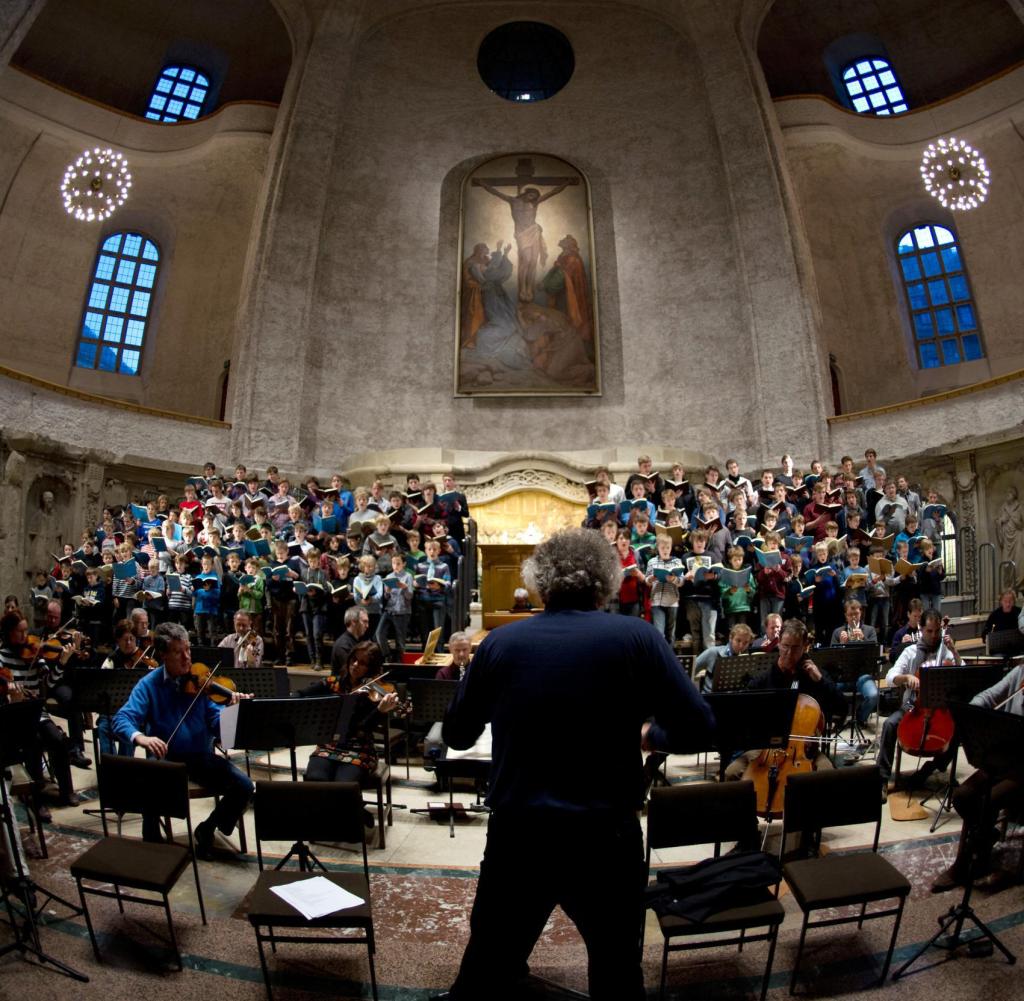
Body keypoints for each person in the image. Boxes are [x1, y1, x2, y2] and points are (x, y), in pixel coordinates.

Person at [434, 528, 714, 1001]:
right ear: (605, 582)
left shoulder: (500, 644)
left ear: (540, 583)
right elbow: (699, 727)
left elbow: (456, 735)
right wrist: (650, 734)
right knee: (617, 973)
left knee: (487, 968)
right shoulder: (638, 637)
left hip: (519, 837)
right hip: (607, 837)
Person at [112, 622, 252, 856]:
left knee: (245, 786)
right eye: (179, 652)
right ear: (163, 655)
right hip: (167, 761)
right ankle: (153, 846)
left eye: (188, 649)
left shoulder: (202, 684)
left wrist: (232, 712)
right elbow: (122, 719)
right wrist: (141, 738)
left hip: (201, 758)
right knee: (151, 786)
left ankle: (208, 828)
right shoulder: (150, 684)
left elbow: (217, 727)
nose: (187, 657)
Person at [930, 659, 1024, 892]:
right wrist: (973, 714)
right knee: (963, 796)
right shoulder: (1019, 672)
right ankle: (986, 837)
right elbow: (988, 696)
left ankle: (964, 866)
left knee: (989, 800)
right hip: (1004, 758)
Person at [723, 619, 846, 780]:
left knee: (826, 773)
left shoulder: (814, 675)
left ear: (805, 647)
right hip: (764, 749)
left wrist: (820, 680)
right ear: (779, 643)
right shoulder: (765, 677)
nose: (789, 653)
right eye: (785, 646)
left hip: (803, 752)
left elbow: (841, 706)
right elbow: (744, 711)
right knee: (731, 772)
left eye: (795, 648)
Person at [876, 610, 960, 797]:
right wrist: (906, 677)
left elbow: (961, 673)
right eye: (929, 631)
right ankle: (881, 778)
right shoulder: (910, 652)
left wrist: (954, 651)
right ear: (921, 629)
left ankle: (931, 768)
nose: (934, 636)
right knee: (890, 725)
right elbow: (890, 677)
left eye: (937, 631)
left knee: (959, 728)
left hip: (940, 707)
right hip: (913, 706)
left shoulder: (945, 651)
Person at [696, 622, 754, 693]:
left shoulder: (748, 658)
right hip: (711, 698)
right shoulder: (713, 652)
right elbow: (692, 669)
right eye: (738, 640)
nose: (741, 646)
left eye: (745, 643)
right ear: (730, 638)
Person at [330, 606, 369, 674]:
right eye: (364, 622)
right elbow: (354, 672)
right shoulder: (343, 645)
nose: (367, 626)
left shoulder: (356, 641)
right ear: (353, 622)